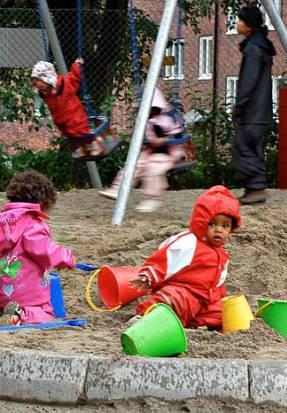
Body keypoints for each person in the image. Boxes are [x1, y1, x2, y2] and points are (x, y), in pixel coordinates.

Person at [129, 186, 241, 330]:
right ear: (201, 221)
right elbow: (165, 259)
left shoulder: (222, 255)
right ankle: (145, 316)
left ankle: (196, 326)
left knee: (223, 313)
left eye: (225, 226)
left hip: (203, 299)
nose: (219, 229)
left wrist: (223, 300)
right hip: (183, 290)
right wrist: (148, 276)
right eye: (212, 224)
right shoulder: (189, 242)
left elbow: (218, 283)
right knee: (173, 299)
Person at [0, 170, 76, 326]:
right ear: (43, 204)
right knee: (44, 314)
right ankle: (20, 315)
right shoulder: (31, 223)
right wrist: (67, 258)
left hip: (1, 289)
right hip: (26, 292)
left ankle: (1, 310)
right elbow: (44, 249)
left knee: (13, 296)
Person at [99, 88, 195, 213]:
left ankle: (152, 199)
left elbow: (178, 137)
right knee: (134, 164)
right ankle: (118, 189)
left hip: (169, 153)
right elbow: (149, 138)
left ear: (156, 107)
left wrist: (163, 140)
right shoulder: (148, 121)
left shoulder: (166, 120)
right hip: (152, 150)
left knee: (152, 170)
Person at [233, 5, 276, 204]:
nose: (237, 23)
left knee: (243, 147)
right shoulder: (261, 45)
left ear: (249, 25)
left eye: (240, 20)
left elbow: (248, 81)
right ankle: (253, 190)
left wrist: (240, 105)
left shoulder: (253, 48)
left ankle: (257, 188)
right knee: (252, 148)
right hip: (261, 110)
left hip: (252, 111)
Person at [32, 59, 104, 157]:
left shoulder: (64, 84)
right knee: (70, 137)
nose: (37, 84)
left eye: (39, 80)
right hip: (61, 121)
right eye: (35, 81)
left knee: (81, 133)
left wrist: (76, 64)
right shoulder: (44, 92)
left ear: (47, 78)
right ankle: (83, 149)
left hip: (74, 117)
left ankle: (96, 145)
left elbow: (74, 77)